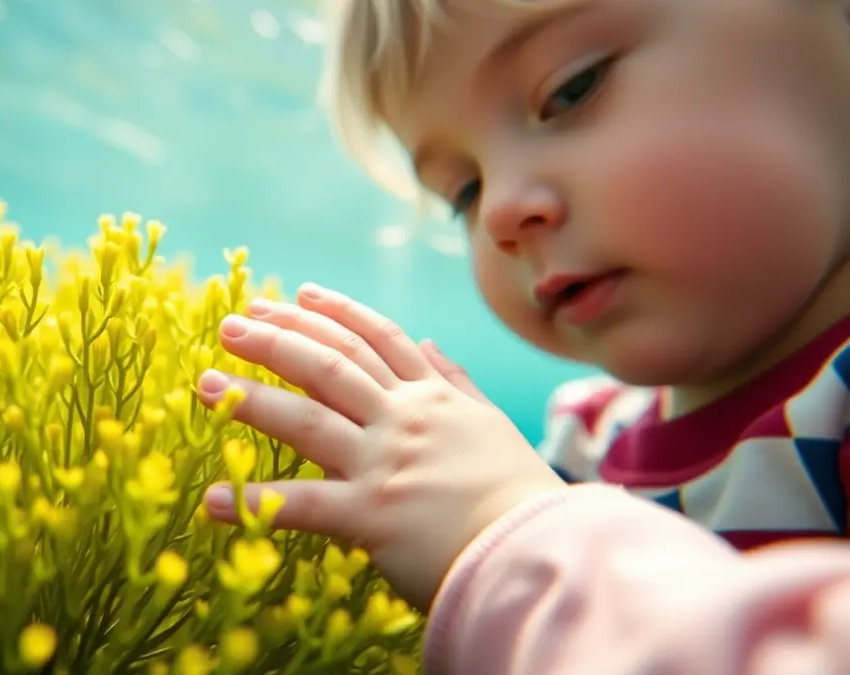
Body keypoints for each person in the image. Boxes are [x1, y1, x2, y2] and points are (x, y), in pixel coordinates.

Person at [192, 0, 850, 671]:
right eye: (464, 191)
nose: (501, 209)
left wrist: (503, 531)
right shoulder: (584, 440)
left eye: (573, 87)